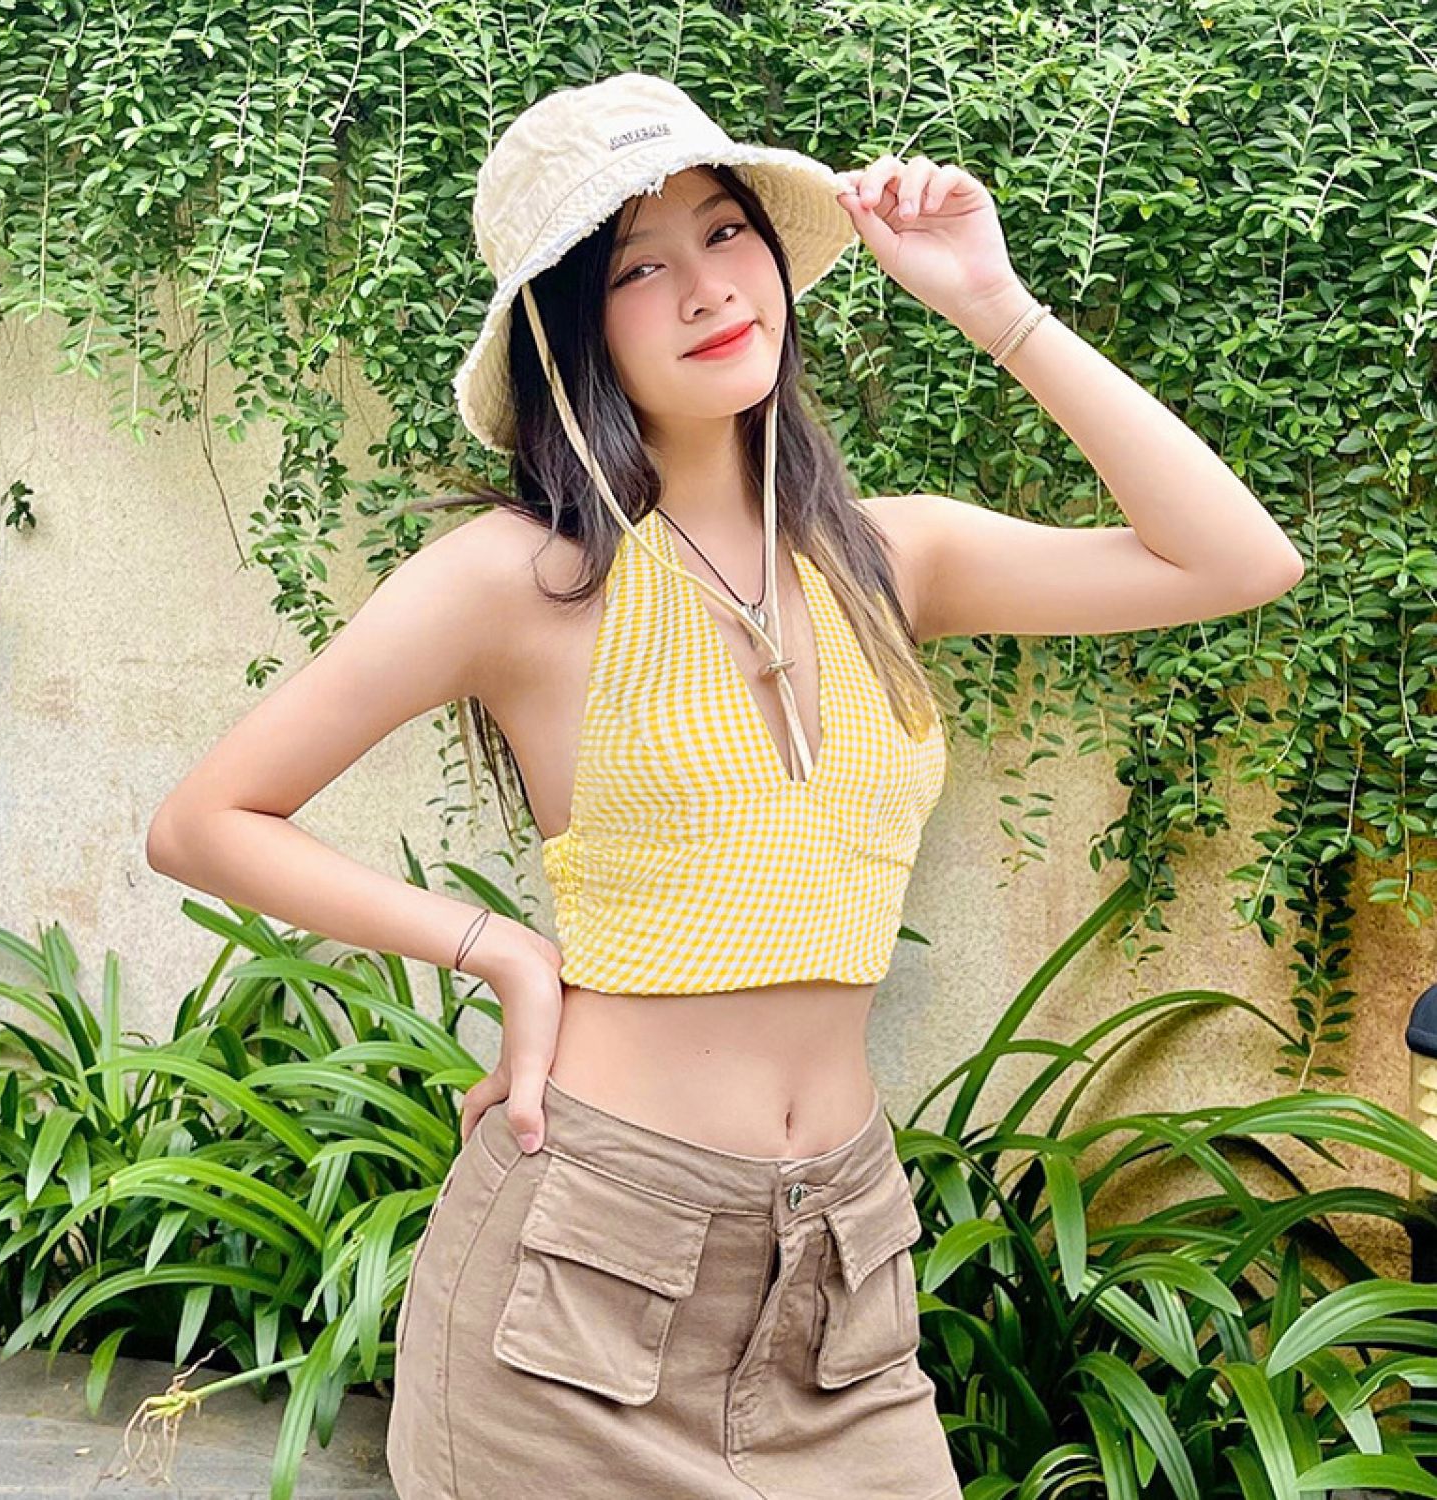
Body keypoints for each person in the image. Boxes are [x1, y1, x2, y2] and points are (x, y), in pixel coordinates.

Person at [145, 70, 1304, 1500]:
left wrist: (994, 306)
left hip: (842, 1270)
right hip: (583, 1273)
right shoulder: (522, 578)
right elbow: (206, 820)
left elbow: (1237, 560)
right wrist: (498, 949)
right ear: (573, 330)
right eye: (639, 268)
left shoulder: (894, 557)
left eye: (725, 232)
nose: (706, 288)